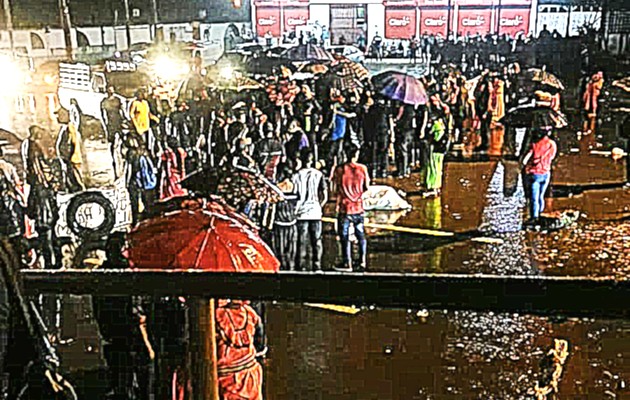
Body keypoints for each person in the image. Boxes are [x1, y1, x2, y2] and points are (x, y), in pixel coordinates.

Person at [92, 233, 155, 400]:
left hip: (111, 334)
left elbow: (97, 308)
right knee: (144, 374)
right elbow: (136, 311)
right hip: (132, 333)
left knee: (119, 380)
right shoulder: (130, 273)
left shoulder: (100, 274)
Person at [215, 299, 265, 400]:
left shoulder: (214, 315)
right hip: (242, 375)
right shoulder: (250, 313)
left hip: (233, 377)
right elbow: (260, 345)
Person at [333, 146, 369, 271]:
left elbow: (335, 188)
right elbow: (366, 186)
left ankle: (347, 262)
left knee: (344, 236)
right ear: (357, 154)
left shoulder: (340, 169)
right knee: (360, 235)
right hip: (358, 207)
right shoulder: (363, 169)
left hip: (345, 207)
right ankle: (362, 260)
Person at [292, 152, 327, 272]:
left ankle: (300, 266)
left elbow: (294, 194)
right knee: (316, 240)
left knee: (301, 241)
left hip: (301, 212)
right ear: (312, 160)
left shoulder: (296, 175)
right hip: (315, 211)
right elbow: (324, 195)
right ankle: (317, 265)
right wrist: (319, 205)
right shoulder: (319, 174)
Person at [521, 127, 557, 222]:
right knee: (541, 196)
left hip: (534, 174)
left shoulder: (534, 145)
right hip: (546, 173)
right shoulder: (552, 144)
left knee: (534, 199)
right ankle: (539, 215)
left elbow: (524, 160)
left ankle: (534, 218)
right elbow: (552, 156)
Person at [271, 164, 298, 271]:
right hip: (292, 222)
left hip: (279, 223)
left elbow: (272, 208)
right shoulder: (295, 186)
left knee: (280, 252)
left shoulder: (276, 188)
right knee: (291, 253)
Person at [55, 109, 85, 192]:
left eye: (59, 115)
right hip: (68, 159)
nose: (58, 117)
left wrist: (69, 157)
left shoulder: (70, 128)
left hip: (71, 159)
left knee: (75, 178)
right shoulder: (65, 128)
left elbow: (73, 142)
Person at [101, 86, 126, 179]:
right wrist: (105, 125)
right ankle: (113, 161)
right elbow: (103, 115)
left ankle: (123, 156)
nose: (110, 92)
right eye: (109, 91)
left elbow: (122, 111)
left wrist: (124, 120)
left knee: (123, 140)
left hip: (118, 123)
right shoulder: (104, 102)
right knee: (111, 144)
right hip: (110, 124)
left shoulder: (117, 100)